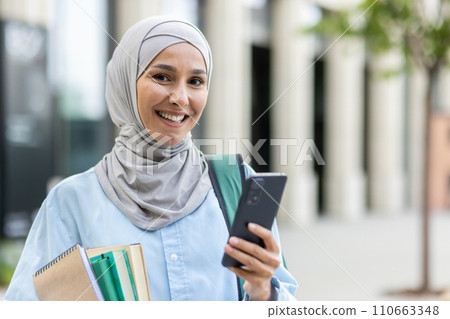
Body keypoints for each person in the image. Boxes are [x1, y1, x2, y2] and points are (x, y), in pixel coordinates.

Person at [5, 16, 297, 301]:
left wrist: (263, 291)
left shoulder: (238, 184)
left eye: (195, 81)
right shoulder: (70, 202)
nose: (181, 97)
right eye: (162, 77)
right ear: (126, 83)